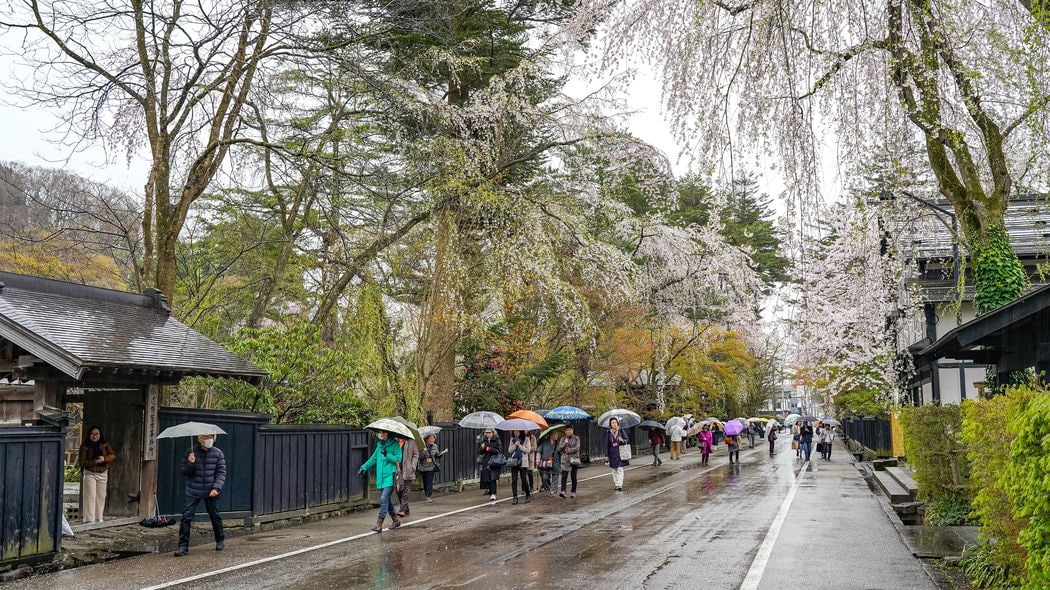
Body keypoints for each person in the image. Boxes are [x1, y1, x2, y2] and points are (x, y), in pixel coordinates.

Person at [175, 434, 226, 556]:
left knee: (215, 515)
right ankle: (183, 546)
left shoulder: (218, 453)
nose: (207, 440)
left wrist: (216, 488)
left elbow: (221, 472)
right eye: (204, 437)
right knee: (186, 517)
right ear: (199, 438)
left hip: (210, 490)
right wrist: (190, 463)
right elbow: (184, 471)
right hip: (193, 489)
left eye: (210, 437)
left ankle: (220, 539)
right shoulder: (190, 452)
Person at [359, 429, 403, 532]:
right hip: (381, 478)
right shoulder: (379, 445)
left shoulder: (395, 445)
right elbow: (373, 459)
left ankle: (379, 524)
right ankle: (396, 520)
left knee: (383, 499)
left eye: (382, 432)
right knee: (386, 500)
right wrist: (363, 468)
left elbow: (398, 459)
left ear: (387, 433)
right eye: (379, 432)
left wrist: (387, 454)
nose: (380, 434)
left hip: (390, 477)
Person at [78, 425, 116, 524]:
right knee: (90, 496)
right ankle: (89, 519)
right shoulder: (85, 446)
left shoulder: (104, 444)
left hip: (103, 472)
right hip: (90, 473)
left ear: (100, 435)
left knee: (101, 496)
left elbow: (112, 455)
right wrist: (95, 461)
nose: (94, 436)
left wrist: (105, 459)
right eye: (92, 434)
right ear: (89, 435)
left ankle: (99, 517)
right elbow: (82, 462)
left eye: (96, 434)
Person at [418, 434, 447, 503]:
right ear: (426, 439)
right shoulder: (422, 446)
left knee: (429, 481)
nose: (432, 440)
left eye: (433, 439)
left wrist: (443, 452)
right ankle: (426, 494)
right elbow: (420, 458)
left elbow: (436, 455)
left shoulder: (435, 446)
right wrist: (424, 452)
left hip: (431, 467)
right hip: (423, 467)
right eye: (430, 439)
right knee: (425, 482)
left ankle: (428, 496)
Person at [396, 436, 419, 517]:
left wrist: (413, 466)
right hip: (397, 470)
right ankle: (406, 508)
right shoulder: (395, 441)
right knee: (399, 490)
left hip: (408, 470)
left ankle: (402, 509)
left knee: (406, 489)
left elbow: (415, 454)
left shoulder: (411, 441)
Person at [508, 430, 532, 504]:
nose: (516, 432)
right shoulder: (512, 440)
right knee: (514, 480)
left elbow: (528, 450)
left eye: (517, 431)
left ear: (521, 431)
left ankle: (528, 495)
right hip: (514, 462)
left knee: (524, 479)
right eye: (514, 431)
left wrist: (519, 445)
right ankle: (515, 497)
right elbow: (509, 451)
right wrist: (515, 445)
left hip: (523, 462)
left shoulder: (526, 439)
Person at [558, 424, 581, 498]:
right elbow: (559, 449)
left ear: (572, 430)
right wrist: (565, 443)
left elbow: (577, 448)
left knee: (573, 477)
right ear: (565, 431)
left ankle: (573, 491)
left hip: (574, 459)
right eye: (567, 430)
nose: (569, 431)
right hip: (565, 460)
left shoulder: (576, 438)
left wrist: (568, 450)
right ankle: (563, 491)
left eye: (570, 430)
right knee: (564, 476)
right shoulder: (562, 439)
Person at [606, 417, 629, 491]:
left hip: (620, 453)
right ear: (610, 424)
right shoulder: (608, 433)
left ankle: (619, 485)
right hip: (612, 453)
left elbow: (627, 440)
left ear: (617, 423)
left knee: (620, 469)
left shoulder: (621, 431)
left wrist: (622, 440)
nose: (614, 424)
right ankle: (616, 484)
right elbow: (606, 444)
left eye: (615, 422)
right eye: (613, 423)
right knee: (614, 469)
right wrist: (606, 455)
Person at [479, 429, 503, 500]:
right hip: (486, 461)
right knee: (487, 478)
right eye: (487, 433)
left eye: (489, 433)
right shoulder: (484, 440)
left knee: (493, 478)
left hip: (494, 461)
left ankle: (493, 493)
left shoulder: (497, 440)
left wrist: (490, 449)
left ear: (492, 433)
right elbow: (480, 452)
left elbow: (499, 451)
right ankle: (490, 491)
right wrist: (482, 448)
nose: (488, 434)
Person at [525, 429, 539, 494]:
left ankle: (531, 487)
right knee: (523, 474)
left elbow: (534, 447)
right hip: (524, 458)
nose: (526, 431)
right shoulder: (522, 437)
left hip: (530, 458)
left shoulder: (533, 437)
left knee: (530, 473)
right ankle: (524, 488)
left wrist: (527, 449)